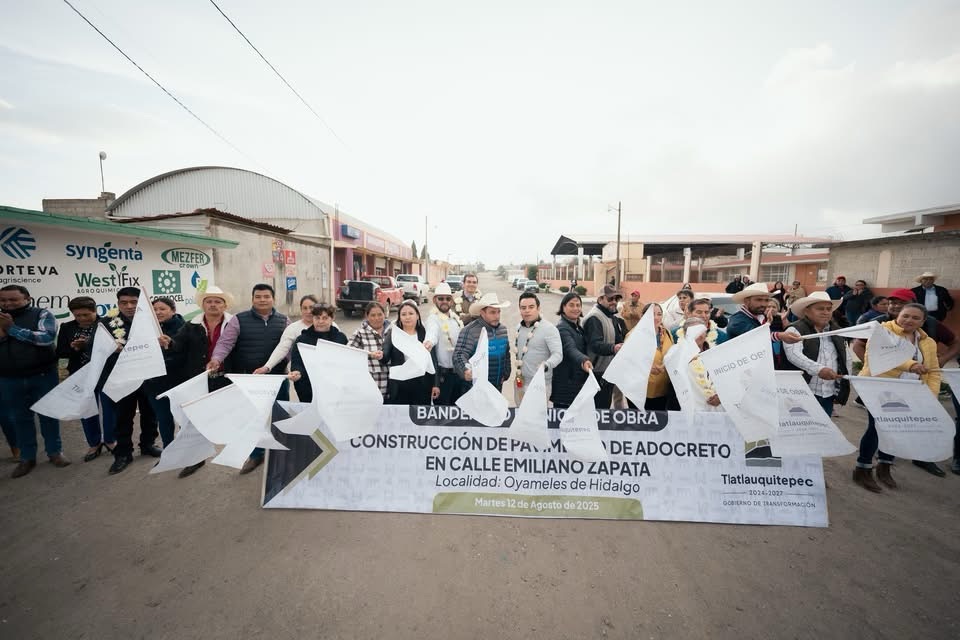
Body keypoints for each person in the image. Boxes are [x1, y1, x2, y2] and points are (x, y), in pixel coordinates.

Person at [853, 304, 940, 492]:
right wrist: (911, 365)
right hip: (880, 387)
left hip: (911, 392)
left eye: (915, 318)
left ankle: (884, 466)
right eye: (905, 316)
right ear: (897, 315)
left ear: (923, 321)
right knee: (876, 428)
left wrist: (930, 396)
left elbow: (933, 371)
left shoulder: (928, 342)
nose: (909, 320)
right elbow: (882, 355)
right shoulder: (882, 331)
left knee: (897, 429)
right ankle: (863, 468)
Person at [208, 283, 289, 475]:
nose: (262, 300)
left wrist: (295, 367)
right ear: (252, 299)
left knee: (281, 416)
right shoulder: (238, 320)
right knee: (253, 419)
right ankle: (256, 454)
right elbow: (225, 343)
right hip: (249, 378)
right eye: (258, 296)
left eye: (266, 296)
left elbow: (288, 347)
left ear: (273, 299)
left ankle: (283, 452)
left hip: (277, 377)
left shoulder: (283, 320)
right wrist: (216, 359)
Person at [0, 284, 70, 478]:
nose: (8, 303)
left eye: (13, 299)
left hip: (42, 375)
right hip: (8, 378)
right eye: (3, 300)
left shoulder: (42, 314)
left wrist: (11, 329)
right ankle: (27, 457)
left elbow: (46, 338)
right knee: (19, 418)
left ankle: (54, 452)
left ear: (27, 299)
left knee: (48, 414)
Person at [91, 287, 162, 475]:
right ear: (118, 304)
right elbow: (94, 347)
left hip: (148, 378)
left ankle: (148, 444)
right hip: (122, 380)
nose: (129, 306)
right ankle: (123, 453)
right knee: (123, 418)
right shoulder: (106, 324)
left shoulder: (152, 321)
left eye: (134, 302)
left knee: (150, 414)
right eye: (124, 303)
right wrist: (109, 347)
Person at [168, 285, 235, 478]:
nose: (213, 305)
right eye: (209, 301)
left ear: (225, 305)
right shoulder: (191, 325)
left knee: (235, 417)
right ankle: (195, 458)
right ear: (203, 305)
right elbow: (177, 345)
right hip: (199, 379)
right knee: (193, 420)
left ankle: (243, 453)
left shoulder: (234, 323)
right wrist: (169, 343)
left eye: (217, 301)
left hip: (226, 379)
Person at [56, 296, 111, 462]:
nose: (82, 318)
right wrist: (74, 348)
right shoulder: (67, 327)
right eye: (77, 315)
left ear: (95, 311)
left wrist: (88, 345)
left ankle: (111, 440)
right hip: (81, 375)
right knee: (86, 410)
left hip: (105, 374)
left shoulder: (107, 324)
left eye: (86, 315)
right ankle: (94, 443)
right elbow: (61, 352)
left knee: (110, 409)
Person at [783, 291, 851, 417]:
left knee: (822, 432)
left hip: (828, 393)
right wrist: (819, 369)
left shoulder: (836, 330)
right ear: (807, 311)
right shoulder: (795, 329)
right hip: (803, 391)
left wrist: (843, 384)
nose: (826, 312)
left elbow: (846, 357)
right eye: (820, 309)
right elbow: (794, 355)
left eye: (829, 309)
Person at [380, 300, 438, 404]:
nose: (407, 317)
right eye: (403, 314)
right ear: (399, 318)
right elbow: (385, 357)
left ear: (417, 316)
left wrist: (435, 384)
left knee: (419, 417)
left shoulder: (425, 334)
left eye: (411, 313)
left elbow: (433, 359)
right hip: (400, 383)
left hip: (422, 383)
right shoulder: (394, 333)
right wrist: (380, 355)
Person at [146, 297, 185, 450]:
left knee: (183, 419)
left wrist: (170, 346)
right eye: (155, 309)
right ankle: (168, 450)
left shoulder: (185, 327)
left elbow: (187, 354)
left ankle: (185, 450)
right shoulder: (147, 329)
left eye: (162, 309)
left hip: (179, 381)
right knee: (163, 419)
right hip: (155, 383)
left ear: (173, 310)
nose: (158, 312)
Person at [289, 303, 348, 402]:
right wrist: (297, 372)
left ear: (332, 318)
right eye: (317, 318)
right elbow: (297, 363)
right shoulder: (302, 339)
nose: (320, 321)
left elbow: (347, 362)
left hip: (335, 389)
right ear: (313, 318)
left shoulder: (341, 338)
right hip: (309, 388)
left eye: (325, 318)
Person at [453, 293, 511, 391]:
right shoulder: (469, 331)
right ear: (482, 313)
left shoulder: (503, 330)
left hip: (497, 387)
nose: (497, 316)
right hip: (474, 389)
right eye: (492, 312)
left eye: (498, 312)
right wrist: (465, 370)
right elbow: (459, 355)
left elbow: (506, 354)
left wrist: (506, 373)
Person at [514, 292, 563, 404]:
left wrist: (546, 365)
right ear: (520, 309)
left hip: (540, 385)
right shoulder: (518, 327)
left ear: (538, 308)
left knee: (536, 420)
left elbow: (558, 355)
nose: (527, 310)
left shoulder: (549, 329)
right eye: (523, 308)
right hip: (520, 382)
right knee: (521, 417)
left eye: (531, 307)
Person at [583, 285, 626, 409]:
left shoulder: (611, 316)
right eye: (610, 299)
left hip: (607, 372)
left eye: (616, 299)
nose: (614, 302)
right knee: (598, 411)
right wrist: (614, 348)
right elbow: (595, 345)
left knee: (604, 408)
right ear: (600, 299)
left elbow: (618, 339)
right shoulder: (594, 318)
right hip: (596, 373)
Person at [726, 282, 803, 349]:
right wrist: (780, 336)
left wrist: (773, 322)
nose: (763, 304)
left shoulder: (759, 316)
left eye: (766, 300)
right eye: (758, 300)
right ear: (746, 301)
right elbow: (758, 336)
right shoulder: (737, 321)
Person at [254, 294, 319, 375]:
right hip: (302, 374)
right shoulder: (293, 328)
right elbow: (282, 349)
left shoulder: (331, 326)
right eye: (304, 308)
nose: (308, 311)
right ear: (301, 309)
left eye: (311, 308)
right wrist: (267, 367)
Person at [423, 283, 465, 405]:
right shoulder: (433, 319)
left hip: (458, 375)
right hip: (442, 378)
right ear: (434, 300)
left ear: (452, 301)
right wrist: (429, 342)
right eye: (441, 298)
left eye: (448, 298)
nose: (444, 301)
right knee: (442, 417)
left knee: (457, 413)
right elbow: (432, 332)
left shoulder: (455, 318)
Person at [551, 293, 593, 409]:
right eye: (571, 305)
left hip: (577, 383)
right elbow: (570, 348)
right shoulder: (562, 328)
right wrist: (584, 360)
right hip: (565, 386)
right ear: (563, 307)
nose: (576, 308)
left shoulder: (577, 327)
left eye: (578, 305)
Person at [349, 301, 391, 399]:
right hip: (372, 386)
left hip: (392, 385)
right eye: (373, 315)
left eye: (380, 314)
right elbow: (348, 352)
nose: (377, 318)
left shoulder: (393, 330)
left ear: (385, 314)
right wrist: (369, 354)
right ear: (367, 316)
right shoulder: (360, 333)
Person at [680, 318, 722, 411]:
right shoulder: (678, 356)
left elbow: (727, 378)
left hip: (719, 409)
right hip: (693, 410)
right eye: (694, 331)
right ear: (685, 334)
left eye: (701, 331)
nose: (699, 335)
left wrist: (722, 396)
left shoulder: (717, 352)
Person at [642, 303, 675, 411]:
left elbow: (672, 355)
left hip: (663, 389)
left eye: (659, 314)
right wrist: (648, 368)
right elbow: (628, 362)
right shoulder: (635, 335)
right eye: (652, 314)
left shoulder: (667, 333)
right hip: (643, 391)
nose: (656, 318)